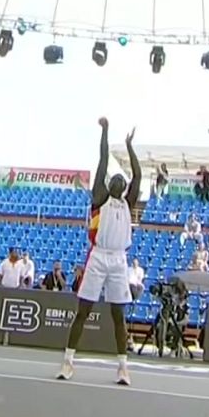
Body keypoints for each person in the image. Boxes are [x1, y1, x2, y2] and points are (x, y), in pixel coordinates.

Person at [57, 118, 140, 385]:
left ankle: (123, 368)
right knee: (83, 311)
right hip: (99, 255)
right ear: (108, 183)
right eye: (113, 178)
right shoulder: (100, 198)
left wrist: (129, 146)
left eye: (121, 178)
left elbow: (137, 174)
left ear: (124, 186)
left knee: (118, 315)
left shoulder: (127, 202)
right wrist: (106, 131)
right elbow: (103, 159)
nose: (117, 178)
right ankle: (68, 362)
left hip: (118, 259)